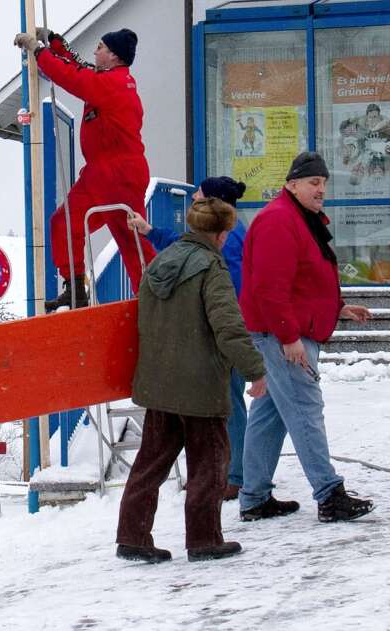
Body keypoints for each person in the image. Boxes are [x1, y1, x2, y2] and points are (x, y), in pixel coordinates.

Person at [116, 197, 267, 564]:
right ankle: (204, 539)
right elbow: (228, 327)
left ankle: (132, 537)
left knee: (150, 462)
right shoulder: (211, 268)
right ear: (220, 233)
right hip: (199, 385)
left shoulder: (159, 263)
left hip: (161, 382)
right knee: (209, 462)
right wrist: (255, 370)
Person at [238, 152, 375, 524]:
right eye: (314, 182)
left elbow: (307, 279)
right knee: (304, 410)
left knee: (271, 416)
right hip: (282, 336)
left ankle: (254, 497)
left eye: (324, 183)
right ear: (292, 184)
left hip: (286, 331)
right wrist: (288, 336)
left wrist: (339, 308)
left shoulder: (299, 218)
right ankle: (330, 496)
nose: (321, 190)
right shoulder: (279, 221)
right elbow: (269, 287)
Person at [14, 27, 155, 311]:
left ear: (113, 55)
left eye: (100, 47)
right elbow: (78, 65)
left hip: (115, 173)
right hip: (109, 173)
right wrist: (53, 41)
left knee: (119, 236)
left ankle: (150, 297)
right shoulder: (110, 79)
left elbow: (72, 76)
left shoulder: (112, 84)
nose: (95, 51)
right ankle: (86, 290)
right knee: (79, 227)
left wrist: (39, 52)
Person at [127, 176, 250, 501]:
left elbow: (229, 296)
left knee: (230, 405)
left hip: (219, 335)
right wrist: (149, 231)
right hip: (214, 335)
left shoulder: (230, 241)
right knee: (224, 406)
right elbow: (183, 244)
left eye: (199, 196)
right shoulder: (223, 236)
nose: (193, 198)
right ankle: (227, 474)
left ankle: (235, 475)